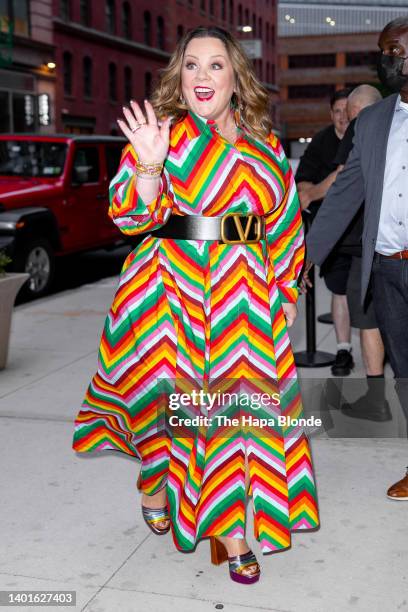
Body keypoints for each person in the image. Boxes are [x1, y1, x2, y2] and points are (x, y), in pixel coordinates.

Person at [71, 26, 320, 584]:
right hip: (169, 294)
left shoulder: (265, 145)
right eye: (190, 66)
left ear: (236, 79)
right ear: (177, 78)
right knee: (173, 414)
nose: (201, 76)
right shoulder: (162, 135)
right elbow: (128, 216)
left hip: (243, 298)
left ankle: (233, 533)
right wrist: (150, 165)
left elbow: (282, 227)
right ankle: (155, 482)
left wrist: (281, 292)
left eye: (214, 66)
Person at [305, 17, 408, 500]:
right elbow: (345, 194)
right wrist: (305, 257)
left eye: (404, 49)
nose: (396, 58)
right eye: (388, 51)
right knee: (403, 370)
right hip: (386, 267)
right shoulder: (374, 119)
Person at [296, 89, 354, 377]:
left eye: (347, 110)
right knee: (339, 290)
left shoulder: (364, 136)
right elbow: (301, 186)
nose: (343, 116)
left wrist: (318, 191)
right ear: (331, 114)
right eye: (338, 111)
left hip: (365, 229)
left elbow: (337, 181)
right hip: (332, 231)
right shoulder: (320, 142)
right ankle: (344, 349)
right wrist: (318, 191)